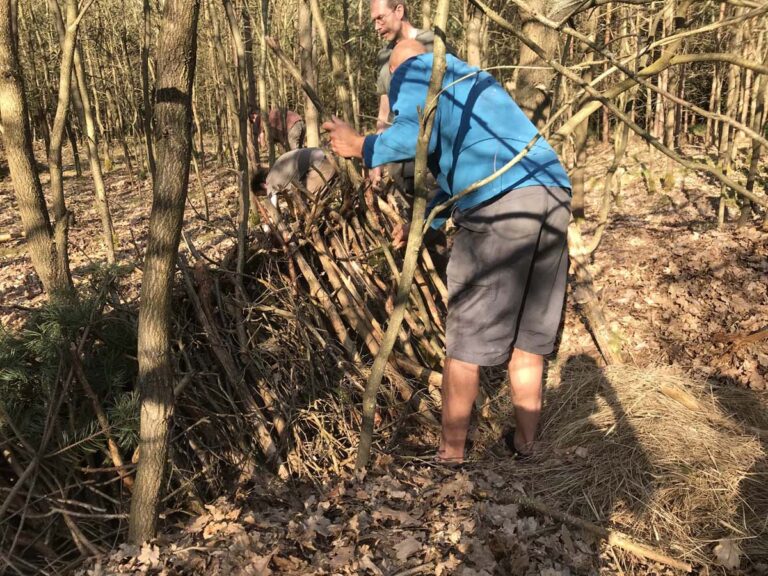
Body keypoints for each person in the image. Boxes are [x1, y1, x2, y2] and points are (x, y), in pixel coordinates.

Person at [323, 41, 572, 462]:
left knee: (465, 343)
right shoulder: (473, 80)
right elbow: (457, 168)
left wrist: (361, 145)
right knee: (528, 339)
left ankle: (450, 457)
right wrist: (426, 224)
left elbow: (409, 135)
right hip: (550, 193)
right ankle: (528, 447)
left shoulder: (419, 71)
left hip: (499, 203)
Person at [369, 0, 437, 190]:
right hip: (400, 159)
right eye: (374, 21)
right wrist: (377, 159)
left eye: (380, 18)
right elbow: (384, 113)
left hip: (433, 156)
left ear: (399, 10)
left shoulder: (433, 43)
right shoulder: (384, 56)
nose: (377, 26)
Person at [251, 147, 336, 213]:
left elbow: (273, 204)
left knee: (306, 198)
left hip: (324, 164)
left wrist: (274, 222)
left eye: (262, 194)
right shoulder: (276, 170)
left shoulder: (271, 181)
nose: (265, 195)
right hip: (324, 156)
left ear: (262, 185)